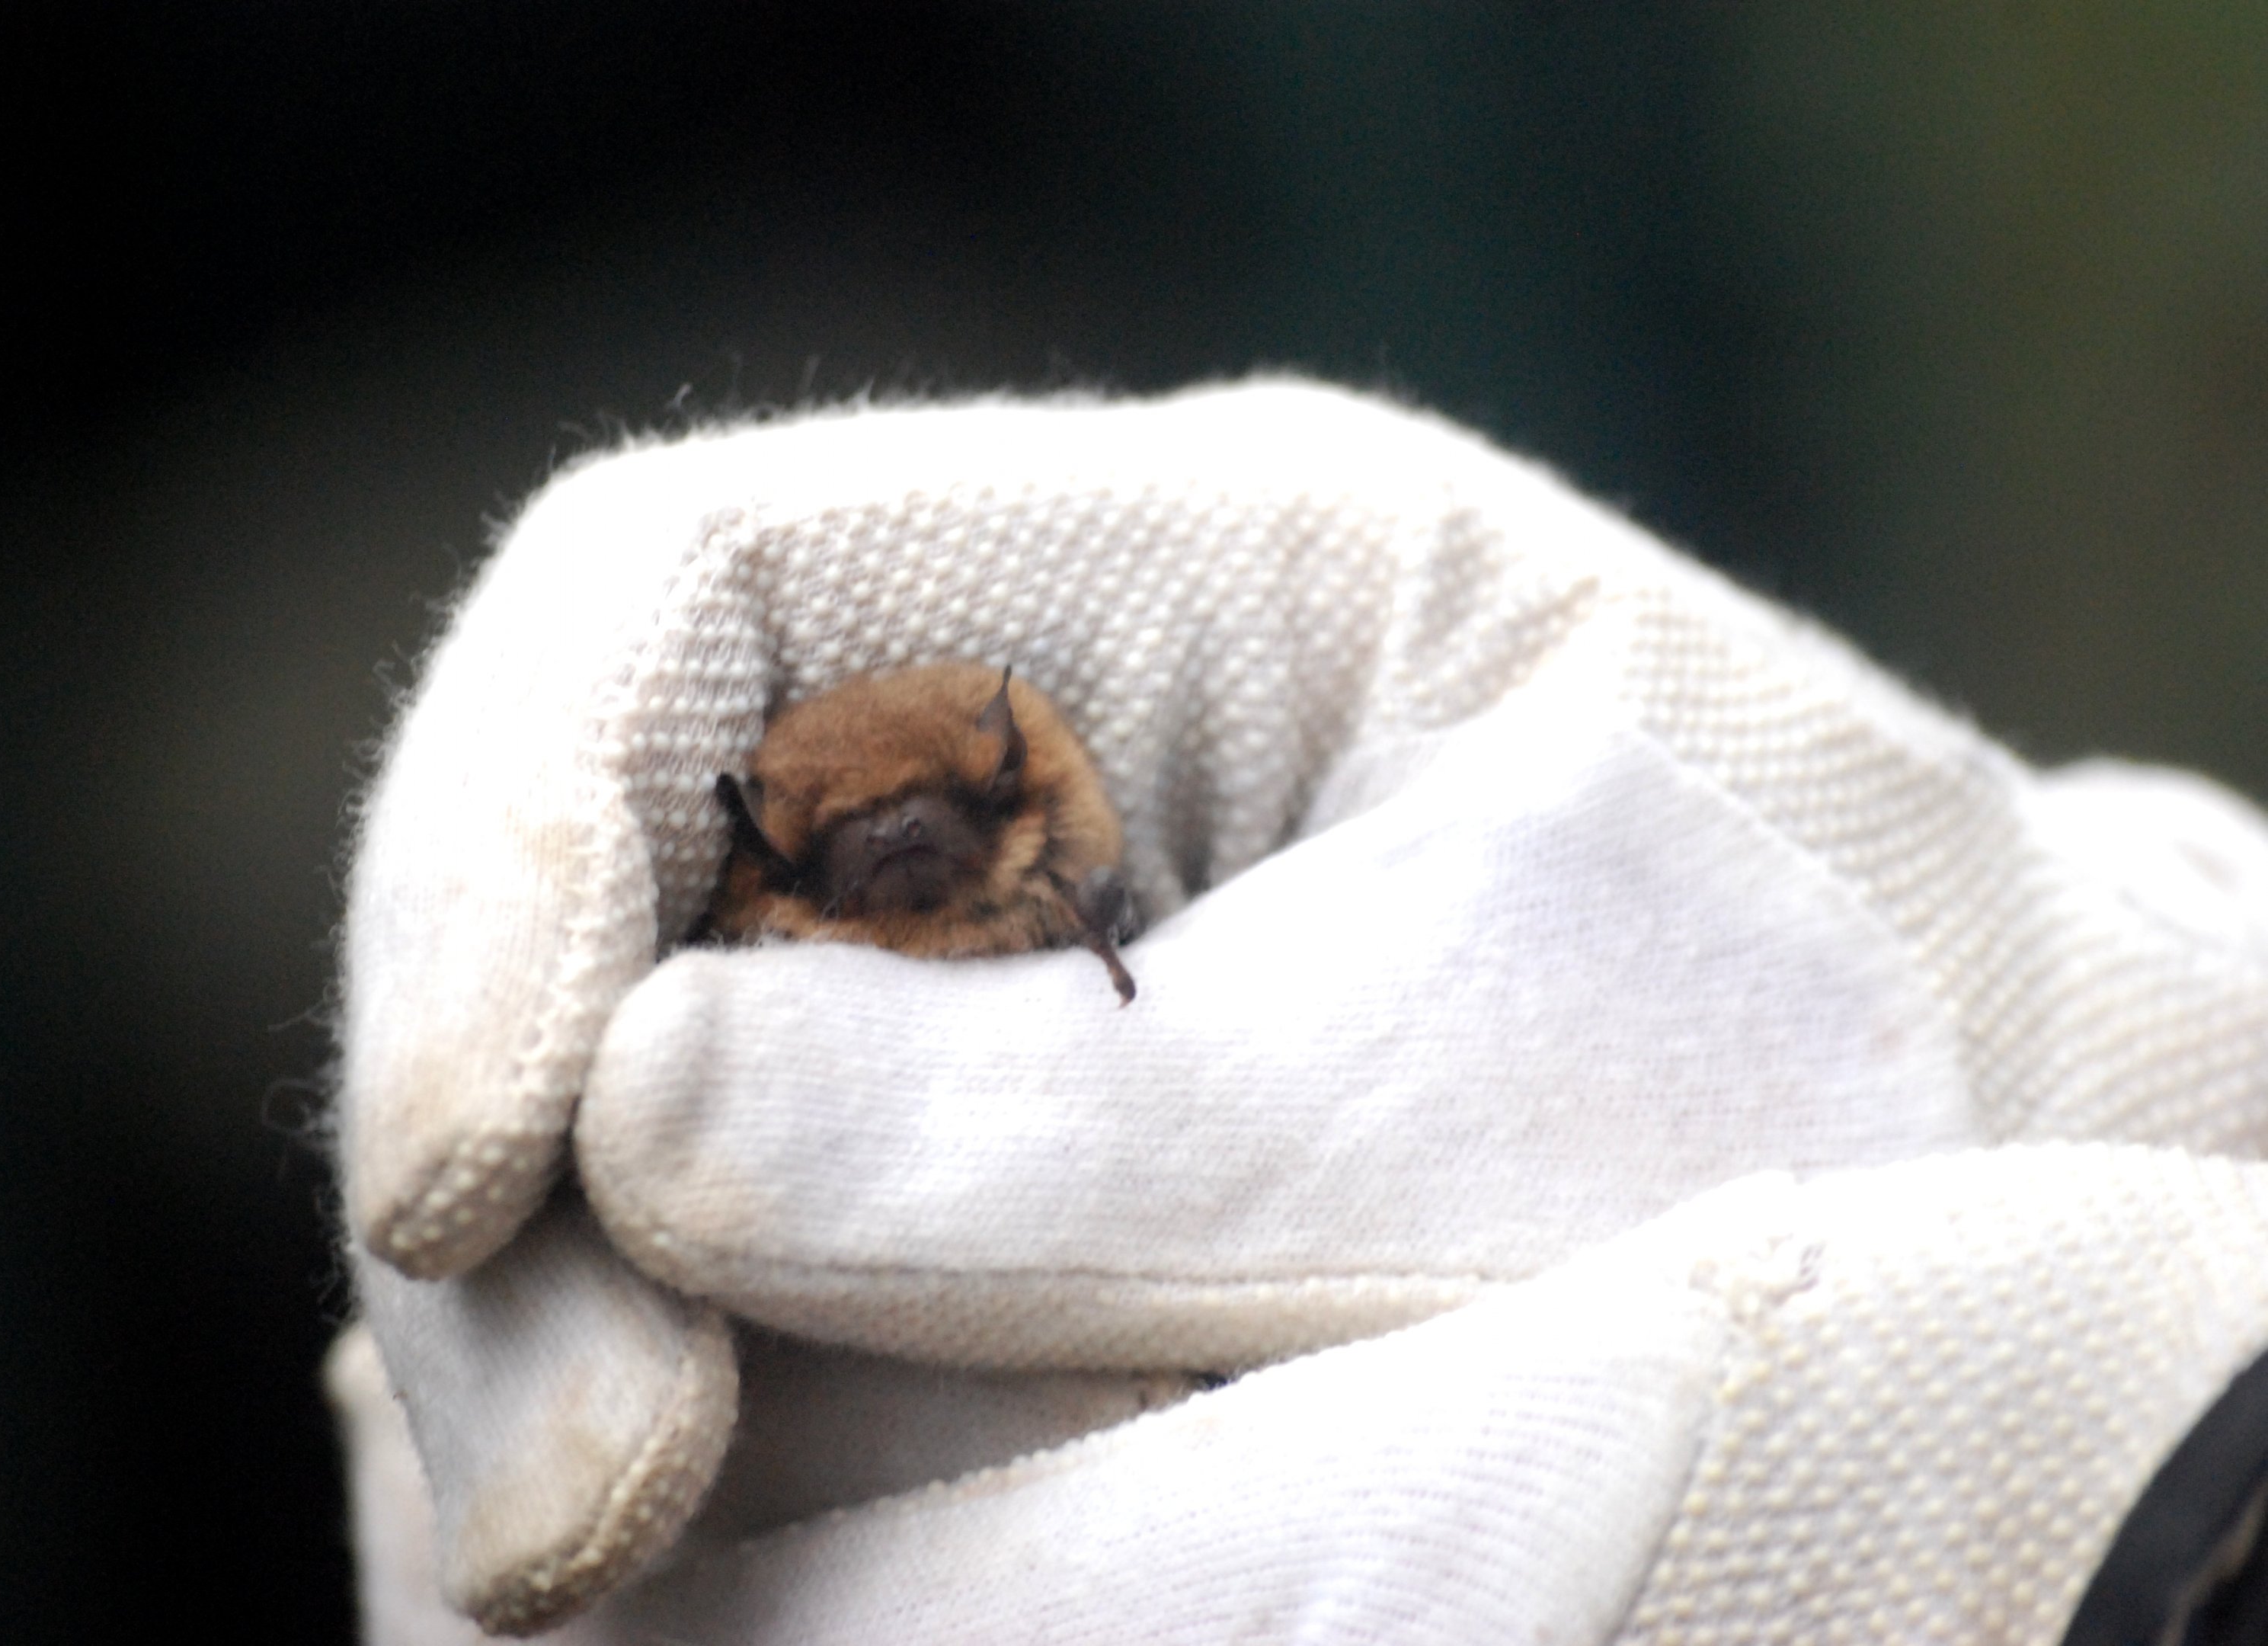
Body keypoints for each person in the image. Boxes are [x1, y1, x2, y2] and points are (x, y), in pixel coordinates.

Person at [327, 379, 2268, 1643]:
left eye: (950, 818)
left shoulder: (1054, 841)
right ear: (769, 860)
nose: (904, 862)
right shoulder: (774, 925)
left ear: (1015, 785)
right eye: (857, 855)